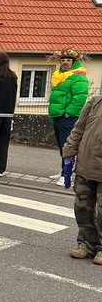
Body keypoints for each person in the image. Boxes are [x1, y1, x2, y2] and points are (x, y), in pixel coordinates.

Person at [62, 95, 102, 264]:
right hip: (86, 166)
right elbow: (78, 129)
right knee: (82, 208)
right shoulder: (95, 102)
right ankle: (86, 244)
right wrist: (69, 151)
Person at [48, 49, 89, 186]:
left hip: (67, 117)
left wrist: (68, 113)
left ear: (73, 62)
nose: (65, 62)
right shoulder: (60, 75)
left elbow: (79, 98)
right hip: (58, 115)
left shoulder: (78, 76)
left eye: (68, 60)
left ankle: (67, 176)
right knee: (62, 146)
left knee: (68, 146)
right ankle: (63, 171)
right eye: (63, 60)